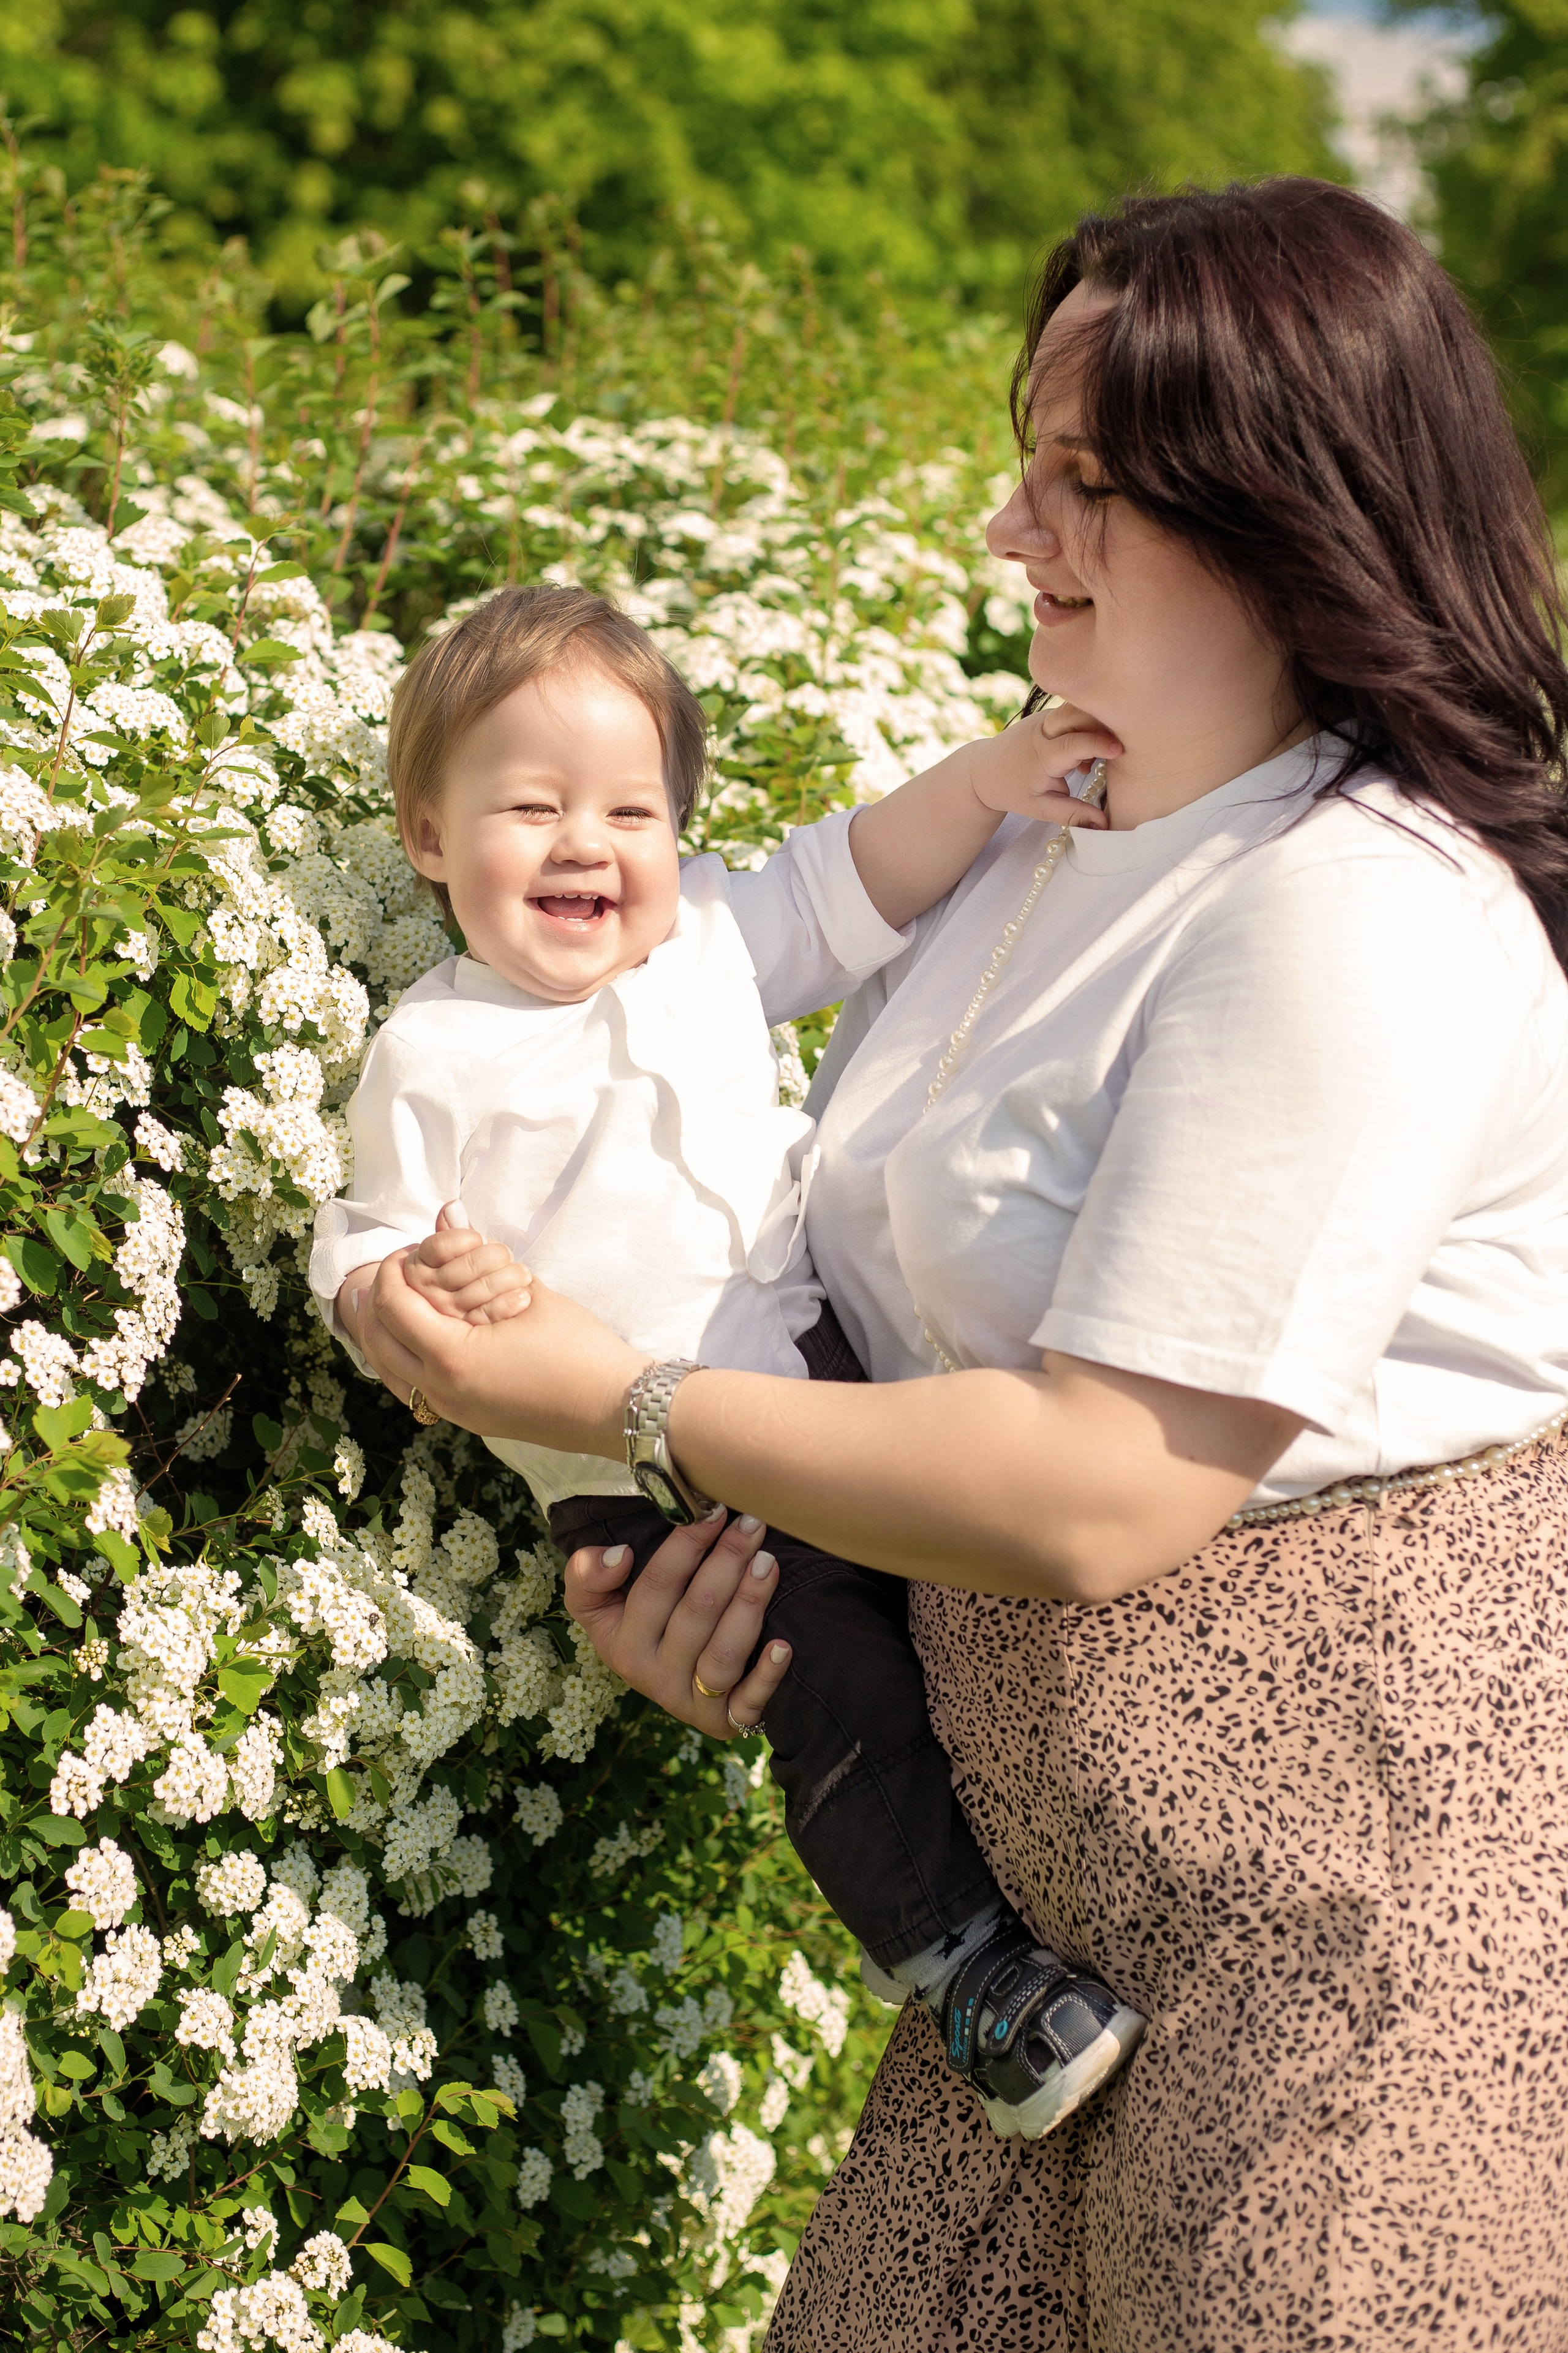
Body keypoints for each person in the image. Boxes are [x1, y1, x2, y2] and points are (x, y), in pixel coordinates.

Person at [346, 178, 1568, 2350]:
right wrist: (723, 1592)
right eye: (1032, 466)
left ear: (1283, 506)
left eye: (1084, 481)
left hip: (1355, 1919)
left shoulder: (1355, 907)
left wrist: (623, 1403)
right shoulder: (1049, 831)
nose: (1016, 531)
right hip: (1052, 1937)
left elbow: (1102, 1487)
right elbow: (887, 1339)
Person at [311, 581, 1145, 2142]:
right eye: (532, 806)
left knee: (951, 1603)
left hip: (812, 1363)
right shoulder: (435, 1050)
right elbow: (353, 1238)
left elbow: (842, 886)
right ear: (427, 836)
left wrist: (984, 777)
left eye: (632, 808)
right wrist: (401, 1291)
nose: (588, 844)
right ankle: (965, 1971)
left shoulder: (695, 940)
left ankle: (1082, 1860)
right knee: (825, 1683)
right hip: (648, 1473)